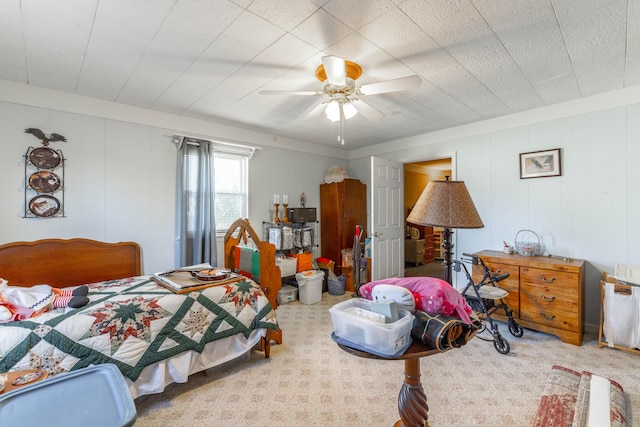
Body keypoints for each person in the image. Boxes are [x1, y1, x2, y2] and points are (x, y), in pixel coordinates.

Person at [0, 278, 89, 323]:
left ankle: (71, 292)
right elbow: (5, 314)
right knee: (37, 300)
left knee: (38, 291)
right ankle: (67, 301)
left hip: (14, 292)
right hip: (16, 302)